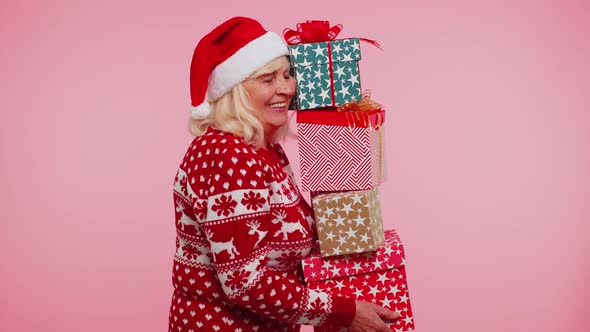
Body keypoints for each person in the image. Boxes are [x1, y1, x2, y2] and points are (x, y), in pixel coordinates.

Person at [169, 16, 399, 332]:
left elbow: (285, 248)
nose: (286, 88)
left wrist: (359, 258)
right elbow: (243, 281)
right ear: (234, 90)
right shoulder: (227, 155)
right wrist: (344, 312)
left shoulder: (262, 148)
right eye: (267, 79)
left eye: (288, 74)